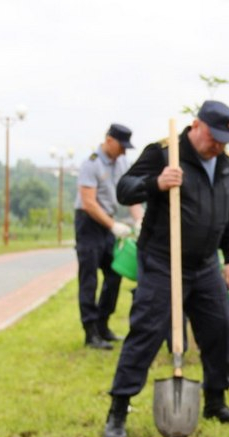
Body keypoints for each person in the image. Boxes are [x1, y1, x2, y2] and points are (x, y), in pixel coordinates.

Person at [103, 101, 229, 437]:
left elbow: (227, 217)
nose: (218, 146)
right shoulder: (164, 154)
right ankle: (118, 410)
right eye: (213, 138)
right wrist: (155, 183)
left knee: (220, 329)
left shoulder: (226, 167)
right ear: (196, 126)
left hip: (205, 265)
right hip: (162, 260)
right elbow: (125, 190)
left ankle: (216, 402)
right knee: (148, 331)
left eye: (224, 141)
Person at [74, 124, 143, 350]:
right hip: (89, 223)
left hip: (109, 224)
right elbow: (88, 202)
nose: (124, 151)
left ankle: (103, 324)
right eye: (121, 146)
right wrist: (113, 225)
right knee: (89, 278)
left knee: (114, 275)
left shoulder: (122, 162)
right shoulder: (91, 163)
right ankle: (90, 331)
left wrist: (140, 219)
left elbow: (131, 194)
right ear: (109, 140)